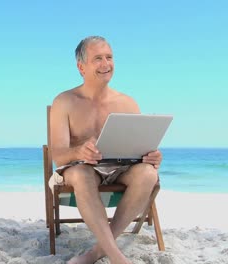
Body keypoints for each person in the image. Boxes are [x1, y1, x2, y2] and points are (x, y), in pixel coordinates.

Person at [49, 36, 163, 264]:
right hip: (82, 169)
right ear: (81, 67)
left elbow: (141, 148)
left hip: (121, 166)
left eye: (109, 57)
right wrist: (79, 151)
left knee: (149, 173)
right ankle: (117, 257)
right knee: (81, 175)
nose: (105, 64)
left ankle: (95, 253)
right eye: (98, 58)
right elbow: (58, 155)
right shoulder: (65, 101)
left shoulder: (128, 103)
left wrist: (152, 157)